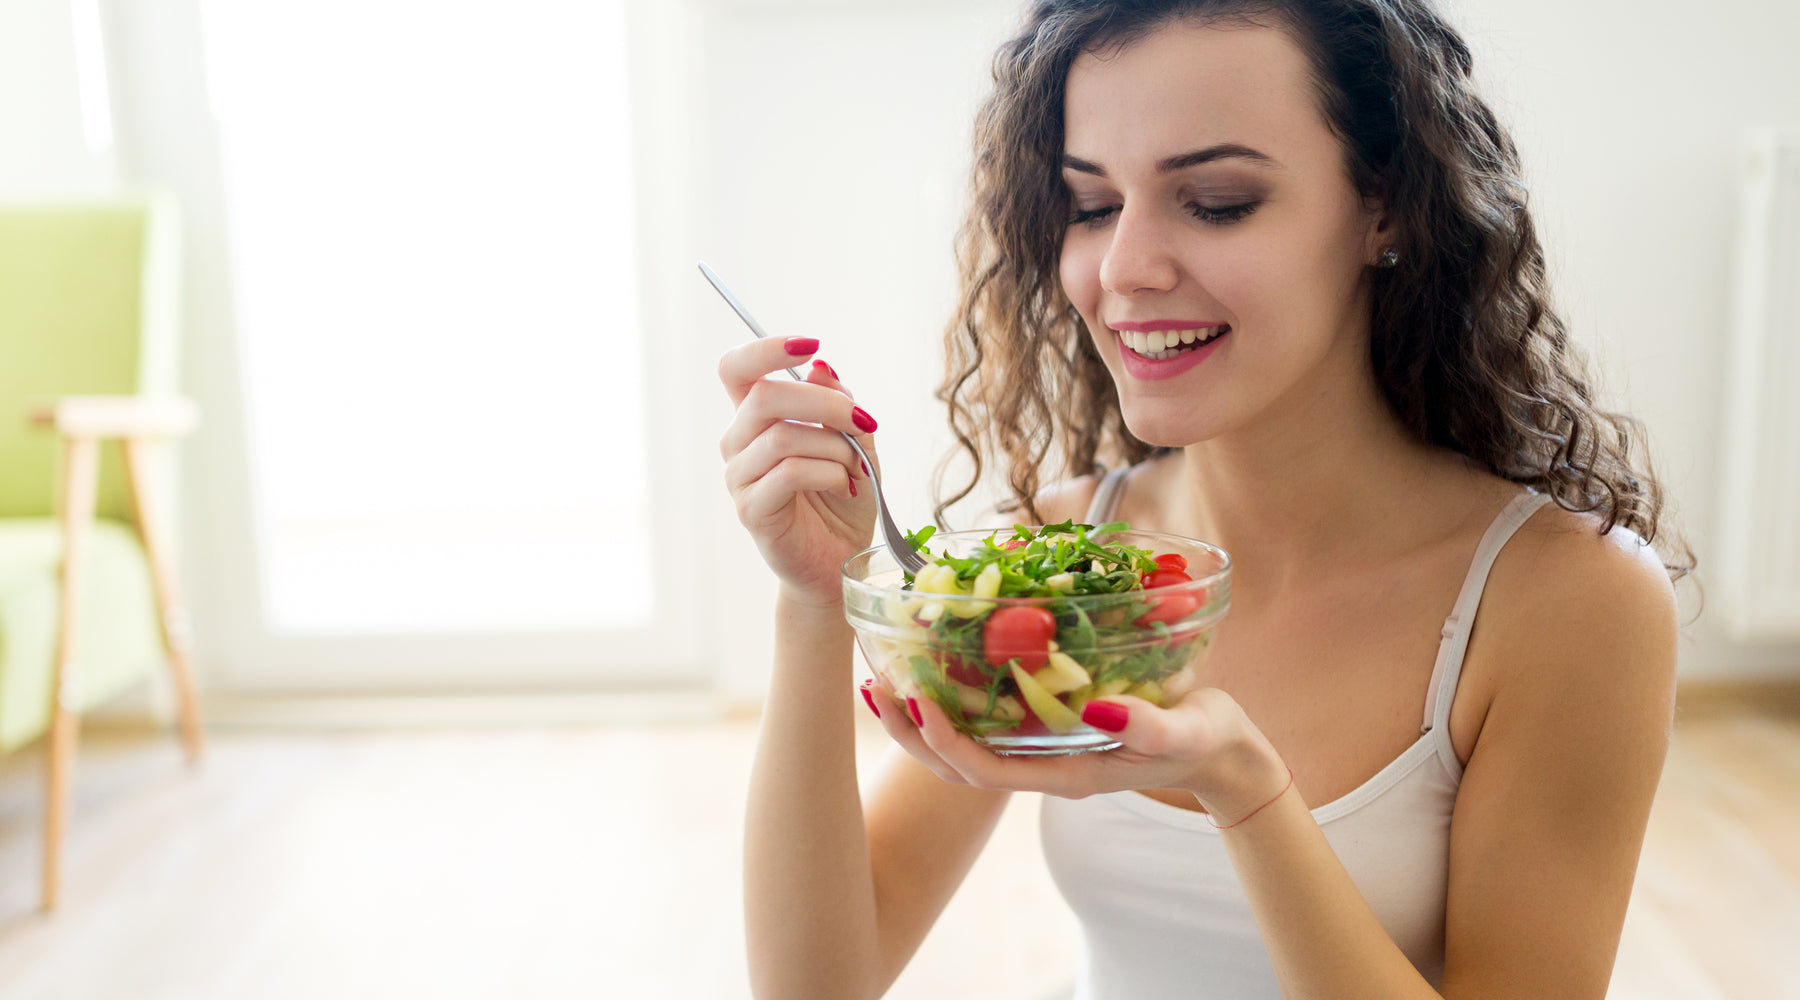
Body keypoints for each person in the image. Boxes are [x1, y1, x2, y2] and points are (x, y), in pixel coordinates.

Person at [714, 1, 1696, 996]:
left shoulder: (1569, 601)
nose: (1126, 268)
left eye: (1217, 200)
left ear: (1384, 206)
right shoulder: (1061, 559)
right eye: (1092, 206)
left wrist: (1246, 791)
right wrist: (812, 600)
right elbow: (817, 984)